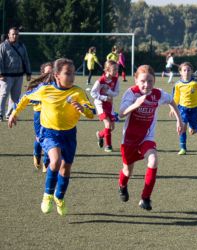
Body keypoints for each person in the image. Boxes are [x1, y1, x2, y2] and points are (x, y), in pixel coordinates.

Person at [8, 58, 95, 216]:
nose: (71, 77)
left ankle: (59, 197)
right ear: (56, 75)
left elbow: (91, 113)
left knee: (66, 168)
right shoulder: (45, 90)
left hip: (69, 135)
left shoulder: (78, 92)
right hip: (48, 133)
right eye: (67, 73)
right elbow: (26, 97)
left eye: (73, 73)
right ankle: (47, 195)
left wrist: (82, 109)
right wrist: (14, 113)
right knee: (55, 161)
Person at [117, 65, 183, 211]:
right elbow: (121, 113)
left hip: (146, 137)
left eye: (150, 81)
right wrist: (136, 104)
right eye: (142, 81)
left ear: (154, 81)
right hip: (129, 140)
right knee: (128, 171)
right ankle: (122, 186)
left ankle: (145, 198)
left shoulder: (158, 94)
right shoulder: (131, 94)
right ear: (135, 80)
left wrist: (179, 120)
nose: (146, 85)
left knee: (153, 160)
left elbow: (171, 101)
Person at [171, 62, 197, 155]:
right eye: (184, 70)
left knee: (192, 131)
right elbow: (175, 97)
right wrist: (173, 108)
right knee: (182, 128)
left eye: (188, 70)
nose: (186, 72)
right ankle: (183, 148)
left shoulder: (196, 83)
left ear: (192, 71)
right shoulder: (178, 84)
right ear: (180, 72)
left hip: (195, 109)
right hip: (182, 109)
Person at [0, 27, 32, 121]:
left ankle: (10, 114)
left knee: (15, 97)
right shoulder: (3, 46)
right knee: (3, 94)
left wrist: (28, 72)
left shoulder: (22, 46)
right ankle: (0, 114)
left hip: (18, 76)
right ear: (8, 35)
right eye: (13, 34)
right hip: (6, 76)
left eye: (16, 34)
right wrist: (1, 74)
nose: (15, 36)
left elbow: (26, 59)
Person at [90, 60, 120, 152]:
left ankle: (100, 135)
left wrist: (108, 92)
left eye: (117, 69)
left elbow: (116, 93)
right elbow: (93, 93)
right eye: (114, 69)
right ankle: (108, 146)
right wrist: (103, 97)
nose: (116, 71)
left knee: (112, 127)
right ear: (107, 70)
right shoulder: (100, 81)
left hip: (109, 105)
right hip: (100, 105)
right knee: (107, 124)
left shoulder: (116, 80)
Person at [29, 62, 53, 172]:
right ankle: (37, 154)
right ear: (42, 73)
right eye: (47, 72)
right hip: (39, 114)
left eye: (52, 72)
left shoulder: (56, 84)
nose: (50, 74)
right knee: (40, 138)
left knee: (50, 139)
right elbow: (29, 98)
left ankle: (46, 163)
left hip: (51, 114)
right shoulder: (37, 85)